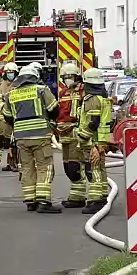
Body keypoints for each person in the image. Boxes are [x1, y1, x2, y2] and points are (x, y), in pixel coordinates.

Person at [3, 65, 61, 213]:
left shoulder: (11, 94)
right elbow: (54, 109)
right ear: (35, 77)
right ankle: (43, 201)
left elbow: (7, 116)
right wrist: (50, 122)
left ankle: (30, 201)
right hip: (40, 135)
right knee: (44, 167)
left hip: (21, 137)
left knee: (27, 168)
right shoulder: (41, 90)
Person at [76, 67, 113, 215]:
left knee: (92, 169)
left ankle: (96, 200)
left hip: (93, 140)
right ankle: (102, 196)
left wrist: (83, 137)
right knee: (100, 168)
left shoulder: (91, 99)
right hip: (101, 140)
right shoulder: (103, 98)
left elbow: (93, 122)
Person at [57, 61, 87, 208]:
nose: (68, 79)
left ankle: (79, 198)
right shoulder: (63, 93)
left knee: (75, 166)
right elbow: (59, 112)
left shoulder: (83, 91)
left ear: (77, 77)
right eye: (65, 77)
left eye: (70, 76)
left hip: (76, 132)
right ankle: (75, 196)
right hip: (64, 134)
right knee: (67, 166)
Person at [1, 62, 20, 172]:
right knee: (8, 141)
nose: (9, 74)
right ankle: (10, 162)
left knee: (16, 141)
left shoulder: (18, 84)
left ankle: (16, 163)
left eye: (11, 72)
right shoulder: (3, 84)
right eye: (7, 72)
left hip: (16, 115)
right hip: (6, 115)